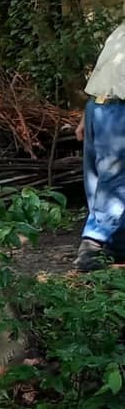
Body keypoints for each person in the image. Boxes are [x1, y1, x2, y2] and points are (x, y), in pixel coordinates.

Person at [74, 20, 125, 271]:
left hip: (121, 110)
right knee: (96, 179)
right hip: (99, 107)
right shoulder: (120, 31)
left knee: (114, 179)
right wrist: (86, 116)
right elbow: (102, 73)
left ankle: (94, 243)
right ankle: (113, 245)